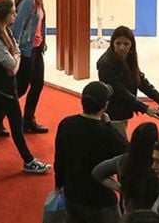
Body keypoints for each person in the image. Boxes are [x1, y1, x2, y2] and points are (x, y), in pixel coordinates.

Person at [0, 0, 50, 173]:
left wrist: (15, 58)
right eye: (12, 13)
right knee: (16, 125)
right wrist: (15, 59)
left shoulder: (6, 32)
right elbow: (12, 67)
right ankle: (28, 160)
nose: (15, 15)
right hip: (3, 88)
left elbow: (15, 54)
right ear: (4, 16)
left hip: (4, 87)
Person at [55, 81, 128, 223]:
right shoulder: (106, 133)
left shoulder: (66, 124)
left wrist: (58, 185)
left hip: (72, 194)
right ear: (105, 105)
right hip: (100, 200)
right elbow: (126, 151)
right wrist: (109, 125)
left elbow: (60, 159)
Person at [96, 26, 159, 139]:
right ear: (112, 43)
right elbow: (120, 92)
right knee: (119, 144)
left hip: (123, 109)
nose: (122, 47)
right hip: (113, 112)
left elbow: (140, 81)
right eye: (118, 43)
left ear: (131, 45)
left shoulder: (129, 57)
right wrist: (145, 108)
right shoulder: (106, 64)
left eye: (126, 44)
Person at [93, 122, 159, 213]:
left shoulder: (123, 161)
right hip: (154, 214)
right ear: (154, 143)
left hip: (130, 213)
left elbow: (97, 172)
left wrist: (122, 189)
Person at [12, 0, 49, 134]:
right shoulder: (28, 2)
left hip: (36, 49)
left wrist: (43, 42)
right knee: (20, 87)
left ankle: (28, 119)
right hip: (27, 51)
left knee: (37, 84)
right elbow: (17, 28)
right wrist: (16, 50)